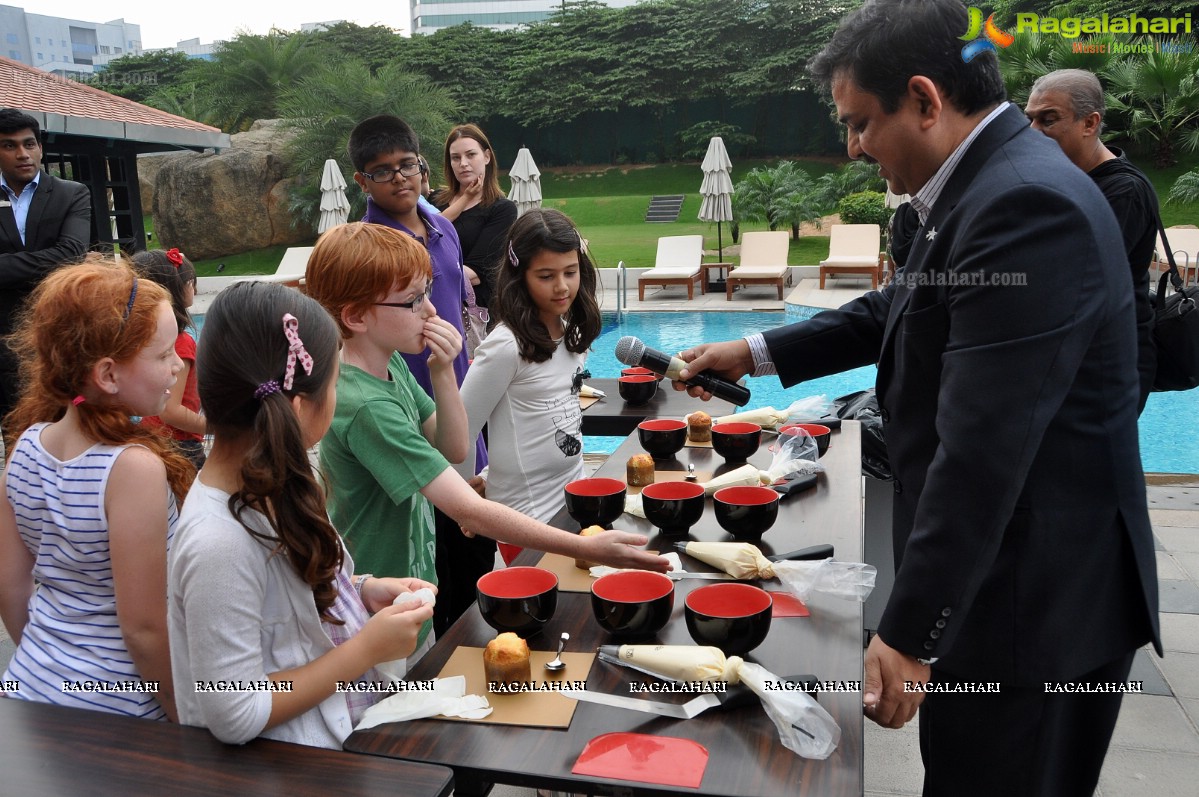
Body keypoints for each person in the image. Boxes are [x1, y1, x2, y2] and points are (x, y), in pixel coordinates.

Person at [673, 2, 1160, 794]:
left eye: (860, 122)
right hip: (1007, 587)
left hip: (1036, 607)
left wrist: (908, 631)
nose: (854, 146)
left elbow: (983, 448)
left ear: (926, 101)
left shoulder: (1021, 208)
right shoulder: (985, 187)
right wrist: (754, 349)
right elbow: (898, 308)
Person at [304, 222, 667, 643]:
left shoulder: (392, 367)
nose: (431, 311)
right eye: (413, 301)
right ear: (355, 317)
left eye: (427, 293)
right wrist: (586, 549)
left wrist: (442, 371)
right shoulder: (367, 406)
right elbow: (466, 510)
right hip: (373, 599)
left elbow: (455, 446)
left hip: (405, 585)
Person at [167, 280, 435, 747]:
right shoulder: (217, 543)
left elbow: (277, 603)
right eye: (334, 383)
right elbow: (234, 710)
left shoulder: (281, 482)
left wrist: (360, 590)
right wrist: (364, 650)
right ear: (298, 408)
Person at [0, 256, 189, 721]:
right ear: (107, 374)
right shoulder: (131, 469)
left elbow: (10, 588)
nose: (174, 369)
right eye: (164, 355)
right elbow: (143, 629)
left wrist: (52, 667)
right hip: (122, 709)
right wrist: (185, 717)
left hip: (33, 685)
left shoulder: (24, 445)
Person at [348, 114, 493, 634]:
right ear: (362, 182)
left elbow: (452, 310)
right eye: (382, 171)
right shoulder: (367, 249)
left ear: (422, 165)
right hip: (400, 419)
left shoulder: (442, 227)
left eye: (406, 164)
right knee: (435, 573)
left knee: (474, 561)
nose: (399, 177)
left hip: (450, 403)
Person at [460, 209, 598, 562]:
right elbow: (459, 435)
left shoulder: (569, 335)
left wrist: (492, 471)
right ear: (520, 277)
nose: (562, 286)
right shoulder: (506, 347)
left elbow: (538, 419)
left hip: (573, 501)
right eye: (546, 276)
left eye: (570, 272)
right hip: (525, 520)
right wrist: (464, 504)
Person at [1025, 68, 1158, 411]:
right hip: (1068, 359)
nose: (1033, 131)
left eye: (1048, 119)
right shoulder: (1059, 180)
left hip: (1106, 368)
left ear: (1090, 123)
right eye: (1031, 119)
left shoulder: (1123, 192)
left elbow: (1071, 279)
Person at [0, 108, 92, 430]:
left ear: (40, 147)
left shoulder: (71, 193)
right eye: (9, 146)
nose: (22, 154)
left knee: (68, 436)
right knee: (16, 441)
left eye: (29, 144)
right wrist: (46, 259)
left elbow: (71, 254)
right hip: (3, 342)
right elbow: (60, 257)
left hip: (60, 337)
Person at [133, 248, 207, 467]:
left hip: (150, 434)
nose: (192, 286)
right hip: (178, 444)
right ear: (173, 289)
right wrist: (216, 427)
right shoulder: (180, 342)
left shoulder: (144, 337)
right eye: (189, 281)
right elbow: (170, 411)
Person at [433, 124, 519, 310]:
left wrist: (421, 278)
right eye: (456, 158)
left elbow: (478, 271)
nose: (463, 163)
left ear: (487, 156)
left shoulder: (502, 209)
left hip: (474, 314)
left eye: (471, 155)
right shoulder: (435, 200)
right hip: (431, 308)